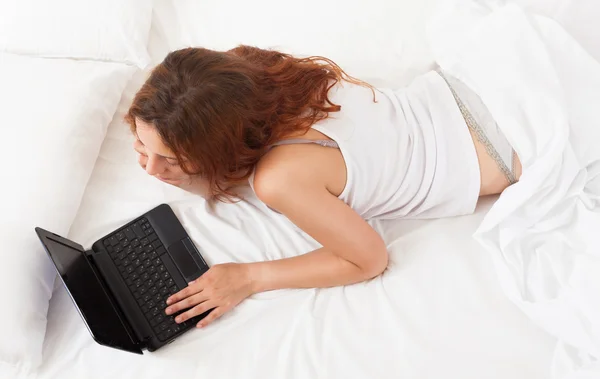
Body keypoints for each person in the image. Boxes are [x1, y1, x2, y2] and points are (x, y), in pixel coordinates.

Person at [124, 45, 522, 328]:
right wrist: (168, 155)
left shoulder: (279, 179)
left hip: (509, 141)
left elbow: (368, 260)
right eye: (143, 144)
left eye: (172, 160)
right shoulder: (249, 70)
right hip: (474, 82)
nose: (151, 168)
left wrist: (248, 277)